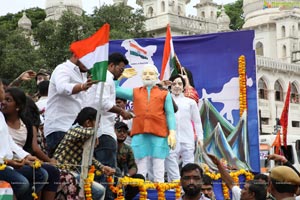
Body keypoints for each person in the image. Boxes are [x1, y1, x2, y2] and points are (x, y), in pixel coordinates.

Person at [115, 63, 176, 182]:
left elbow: (170, 114)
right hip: (140, 133)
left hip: (159, 133)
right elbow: (115, 90)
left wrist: (172, 132)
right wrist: (120, 77)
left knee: (158, 165)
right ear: (141, 76)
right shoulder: (135, 92)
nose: (148, 76)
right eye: (145, 73)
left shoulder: (164, 94)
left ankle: (160, 195)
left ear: (156, 76)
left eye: (151, 73)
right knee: (140, 166)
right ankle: (140, 194)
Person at [85, 52, 133, 200]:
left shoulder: (100, 77)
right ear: (111, 65)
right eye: (120, 68)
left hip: (101, 130)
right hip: (104, 132)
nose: (122, 72)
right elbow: (103, 103)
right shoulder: (106, 79)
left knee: (108, 172)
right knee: (107, 174)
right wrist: (122, 112)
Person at [2, 87, 60, 200]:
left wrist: (28, 157)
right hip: (5, 163)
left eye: (8, 100)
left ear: (18, 106)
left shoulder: (26, 124)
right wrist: (10, 161)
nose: (3, 102)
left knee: (44, 173)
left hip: (17, 161)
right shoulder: (2, 118)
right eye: (3, 98)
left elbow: (11, 143)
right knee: (23, 183)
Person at [53, 107, 116, 200]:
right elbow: (89, 132)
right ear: (88, 123)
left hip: (72, 173)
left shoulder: (85, 135)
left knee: (100, 190)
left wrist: (102, 168)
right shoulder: (75, 130)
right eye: (97, 123)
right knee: (98, 191)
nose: (98, 126)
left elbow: (88, 157)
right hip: (62, 171)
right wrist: (95, 135)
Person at [44, 53, 97, 156]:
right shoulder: (63, 69)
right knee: (60, 169)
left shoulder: (83, 75)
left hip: (76, 131)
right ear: (76, 55)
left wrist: (92, 132)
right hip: (59, 128)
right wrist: (82, 86)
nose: (89, 64)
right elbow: (62, 88)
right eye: (87, 60)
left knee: (73, 169)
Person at [165, 74, 203, 181]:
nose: (177, 86)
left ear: (183, 86)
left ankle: (187, 185)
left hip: (188, 138)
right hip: (171, 138)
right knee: (171, 162)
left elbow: (197, 122)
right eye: (174, 83)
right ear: (170, 85)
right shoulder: (165, 101)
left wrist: (200, 137)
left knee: (189, 165)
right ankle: (175, 187)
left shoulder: (190, 102)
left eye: (180, 84)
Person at [115, 121, 144, 199]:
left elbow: (133, 167)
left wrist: (127, 177)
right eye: (119, 131)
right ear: (114, 132)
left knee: (140, 178)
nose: (122, 134)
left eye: (124, 132)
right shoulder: (110, 146)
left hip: (123, 178)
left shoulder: (128, 148)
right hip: (111, 178)